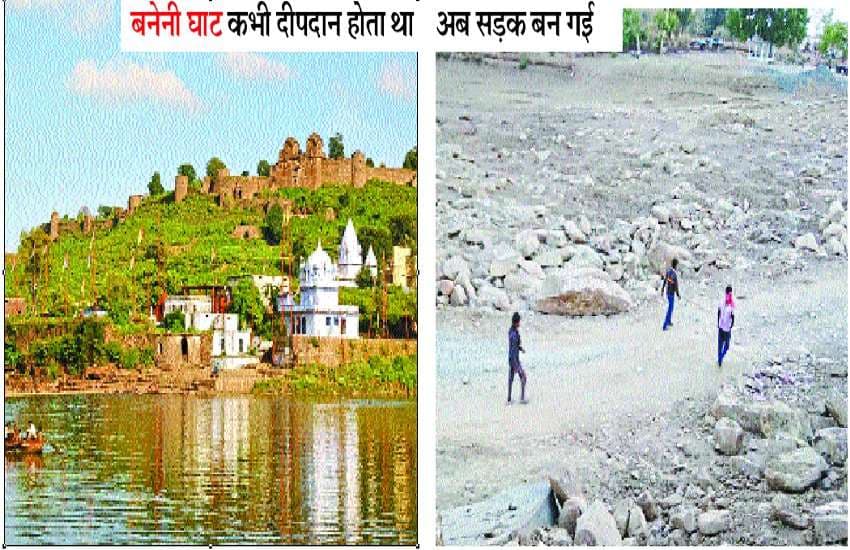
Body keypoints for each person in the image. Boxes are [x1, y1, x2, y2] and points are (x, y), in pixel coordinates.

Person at [508, 312, 527, 403]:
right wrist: (515, 364)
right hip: (514, 359)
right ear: (516, 322)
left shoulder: (512, 331)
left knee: (511, 378)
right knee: (523, 376)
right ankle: (522, 398)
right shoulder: (514, 335)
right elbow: (512, 348)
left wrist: (520, 348)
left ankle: (509, 398)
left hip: (512, 359)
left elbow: (514, 346)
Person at [717, 285, 735, 367]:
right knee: (726, 345)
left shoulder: (721, 301)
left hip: (721, 326)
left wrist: (718, 322)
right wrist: (732, 325)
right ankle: (721, 357)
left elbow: (718, 312)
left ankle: (719, 359)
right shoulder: (731, 303)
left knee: (720, 344)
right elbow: (732, 316)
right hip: (727, 328)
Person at [661, 258, 681, 331]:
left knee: (671, 308)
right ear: (675, 265)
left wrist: (662, 289)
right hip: (671, 293)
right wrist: (678, 295)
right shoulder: (674, 274)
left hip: (668, 292)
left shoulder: (669, 271)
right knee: (670, 308)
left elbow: (665, 280)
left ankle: (668, 321)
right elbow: (675, 285)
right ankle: (665, 325)